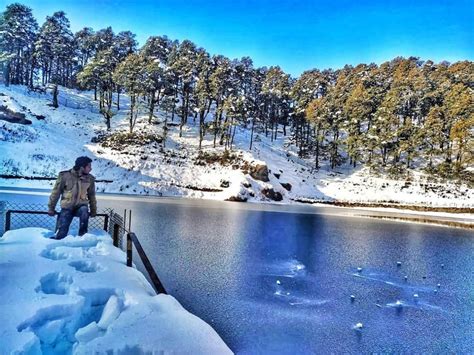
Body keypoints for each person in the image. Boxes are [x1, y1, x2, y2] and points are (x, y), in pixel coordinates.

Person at [48, 156, 97, 239]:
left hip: (81, 206)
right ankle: (58, 241)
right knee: (62, 230)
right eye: (89, 166)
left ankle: (83, 238)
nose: (90, 169)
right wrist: (51, 208)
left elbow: (91, 195)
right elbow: (56, 192)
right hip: (67, 207)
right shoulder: (65, 176)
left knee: (84, 211)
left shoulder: (90, 179)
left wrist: (93, 210)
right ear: (82, 167)